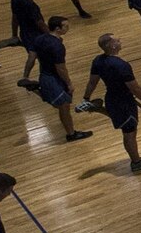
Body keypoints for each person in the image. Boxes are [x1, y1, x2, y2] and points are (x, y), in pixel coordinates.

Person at [79, 33, 141, 173]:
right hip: (124, 101)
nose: (120, 41)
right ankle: (137, 162)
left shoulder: (98, 60)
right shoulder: (121, 65)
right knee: (129, 132)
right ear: (111, 45)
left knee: (122, 124)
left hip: (111, 98)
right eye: (117, 40)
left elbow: (92, 81)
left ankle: (96, 107)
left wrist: (86, 97)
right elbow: (134, 87)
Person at [27, 15, 92, 143]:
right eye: (65, 26)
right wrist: (69, 83)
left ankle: (36, 88)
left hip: (44, 75)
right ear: (57, 29)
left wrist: (26, 75)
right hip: (53, 79)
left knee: (61, 103)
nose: (68, 28)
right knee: (64, 106)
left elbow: (31, 58)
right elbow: (61, 68)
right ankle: (71, 134)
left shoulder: (40, 39)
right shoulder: (57, 46)